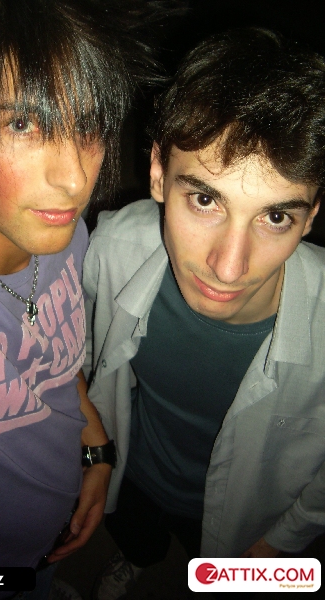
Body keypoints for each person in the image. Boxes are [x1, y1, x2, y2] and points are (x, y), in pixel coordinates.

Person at [0, 1, 158, 598]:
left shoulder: (61, 231)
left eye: (89, 125)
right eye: (25, 124)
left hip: (49, 535)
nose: (75, 179)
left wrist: (93, 440)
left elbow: (52, 359)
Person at [83, 28, 325, 600]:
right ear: (158, 174)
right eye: (206, 199)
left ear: (312, 215)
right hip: (134, 473)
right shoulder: (113, 248)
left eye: (275, 217)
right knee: (137, 538)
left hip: (247, 519)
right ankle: (136, 559)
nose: (229, 267)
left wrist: (276, 546)